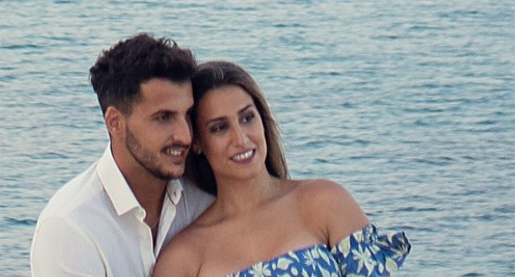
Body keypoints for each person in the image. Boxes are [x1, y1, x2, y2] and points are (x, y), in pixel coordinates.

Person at [148, 60, 408, 277]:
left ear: (262, 119)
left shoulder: (324, 203)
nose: (241, 139)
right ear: (197, 144)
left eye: (247, 117)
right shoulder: (184, 258)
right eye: (220, 127)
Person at [32, 33, 213, 277]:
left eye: (187, 114)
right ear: (115, 122)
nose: (184, 136)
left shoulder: (204, 199)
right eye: (163, 118)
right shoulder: (70, 227)